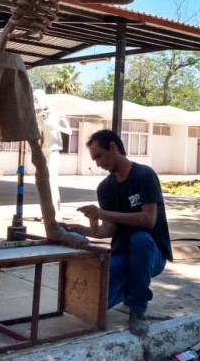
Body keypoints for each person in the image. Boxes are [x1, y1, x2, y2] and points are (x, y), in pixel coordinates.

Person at [63, 129, 172, 336]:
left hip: (152, 254)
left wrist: (104, 212)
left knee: (140, 239)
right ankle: (130, 291)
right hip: (123, 252)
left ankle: (138, 310)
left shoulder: (144, 175)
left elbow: (148, 220)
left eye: (99, 156)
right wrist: (85, 227)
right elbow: (108, 229)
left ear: (113, 147)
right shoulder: (105, 188)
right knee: (95, 295)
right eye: (94, 158)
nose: (97, 163)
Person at [34, 89, 73, 220]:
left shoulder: (57, 113)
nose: (37, 102)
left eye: (38, 99)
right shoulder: (39, 116)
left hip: (54, 149)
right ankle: (45, 210)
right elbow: (38, 133)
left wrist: (57, 127)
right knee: (42, 180)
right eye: (35, 100)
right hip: (43, 149)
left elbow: (70, 131)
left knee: (52, 179)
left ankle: (56, 211)